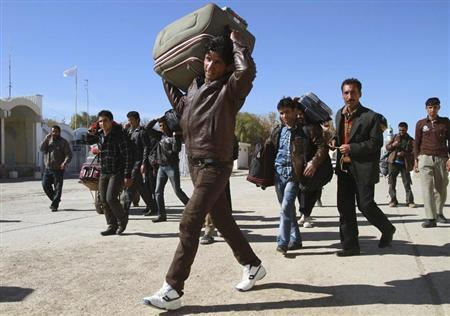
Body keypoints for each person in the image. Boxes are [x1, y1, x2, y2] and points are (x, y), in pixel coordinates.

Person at [143, 30, 265, 311]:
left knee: (189, 222)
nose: (210, 66)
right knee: (223, 222)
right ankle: (252, 265)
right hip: (196, 167)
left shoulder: (231, 90)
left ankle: (173, 289)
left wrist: (236, 44)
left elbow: (246, 71)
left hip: (215, 167)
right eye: (207, 60)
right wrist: (164, 67)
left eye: (216, 62)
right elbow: (179, 102)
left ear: (227, 66)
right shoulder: (194, 89)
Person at [330, 78, 396, 257]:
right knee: (344, 207)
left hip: (364, 167)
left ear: (360, 94)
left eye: (353, 92)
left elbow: (376, 142)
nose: (349, 96)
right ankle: (350, 246)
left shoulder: (370, 116)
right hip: (344, 169)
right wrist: (334, 141)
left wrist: (352, 148)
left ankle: (387, 229)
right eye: (346, 93)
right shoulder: (338, 114)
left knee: (366, 205)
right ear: (342, 94)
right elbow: (340, 136)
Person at [267, 97, 327, 254]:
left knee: (286, 206)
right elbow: (270, 150)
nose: (284, 116)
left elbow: (322, 146)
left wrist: (313, 162)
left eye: (287, 112)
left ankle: (282, 242)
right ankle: (296, 239)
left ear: (295, 112)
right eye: (281, 113)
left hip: (294, 175)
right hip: (278, 174)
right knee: (287, 209)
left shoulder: (307, 129)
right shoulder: (277, 130)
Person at [86, 110, 133, 236]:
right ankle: (112, 225)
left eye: (105, 120)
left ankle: (122, 220)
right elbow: (87, 140)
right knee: (103, 200)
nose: (103, 123)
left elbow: (128, 156)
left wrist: (127, 175)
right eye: (100, 121)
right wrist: (91, 131)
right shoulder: (100, 135)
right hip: (104, 171)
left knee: (111, 198)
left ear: (111, 121)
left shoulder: (119, 135)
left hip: (117, 172)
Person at [414, 97, 450, 228]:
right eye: (430, 107)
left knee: (441, 188)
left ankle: (439, 213)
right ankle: (430, 218)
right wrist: (416, 161)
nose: (432, 110)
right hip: (425, 158)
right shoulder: (420, 123)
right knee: (427, 188)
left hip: (441, 158)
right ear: (426, 109)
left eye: (435, 107)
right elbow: (416, 143)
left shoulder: (445, 122)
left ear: (439, 108)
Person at [146, 117, 190, 223]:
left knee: (177, 191)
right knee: (158, 192)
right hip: (162, 167)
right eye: (160, 126)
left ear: (168, 125)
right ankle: (162, 214)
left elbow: (176, 149)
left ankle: (194, 210)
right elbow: (148, 128)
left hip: (172, 166)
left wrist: (175, 137)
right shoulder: (160, 136)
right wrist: (156, 120)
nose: (161, 127)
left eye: (163, 125)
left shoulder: (175, 136)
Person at [122, 111, 156, 215]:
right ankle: (152, 207)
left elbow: (146, 148)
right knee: (141, 188)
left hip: (138, 162)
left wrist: (143, 163)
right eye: (128, 120)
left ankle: (124, 210)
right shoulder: (129, 131)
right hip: (130, 162)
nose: (129, 122)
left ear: (137, 120)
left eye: (131, 120)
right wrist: (124, 129)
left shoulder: (142, 132)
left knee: (130, 186)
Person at [39, 125, 72, 212]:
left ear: (59, 132)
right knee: (45, 185)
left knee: (58, 188)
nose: (54, 133)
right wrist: (46, 139)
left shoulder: (63, 142)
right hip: (48, 168)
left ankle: (54, 205)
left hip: (58, 169)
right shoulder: (48, 141)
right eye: (53, 131)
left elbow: (69, 155)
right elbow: (41, 149)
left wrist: (65, 162)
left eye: (56, 131)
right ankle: (56, 199)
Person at [385, 122, 416, 208]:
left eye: (403, 130)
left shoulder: (411, 140)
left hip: (404, 164)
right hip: (393, 163)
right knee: (392, 183)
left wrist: (405, 154)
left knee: (407, 183)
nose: (401, 131)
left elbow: (414, 152)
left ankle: (410, 201)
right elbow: (387, 147)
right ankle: (393, 200)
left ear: (406, 129)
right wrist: (393, 145)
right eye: (400, 130)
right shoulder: (395, 137)